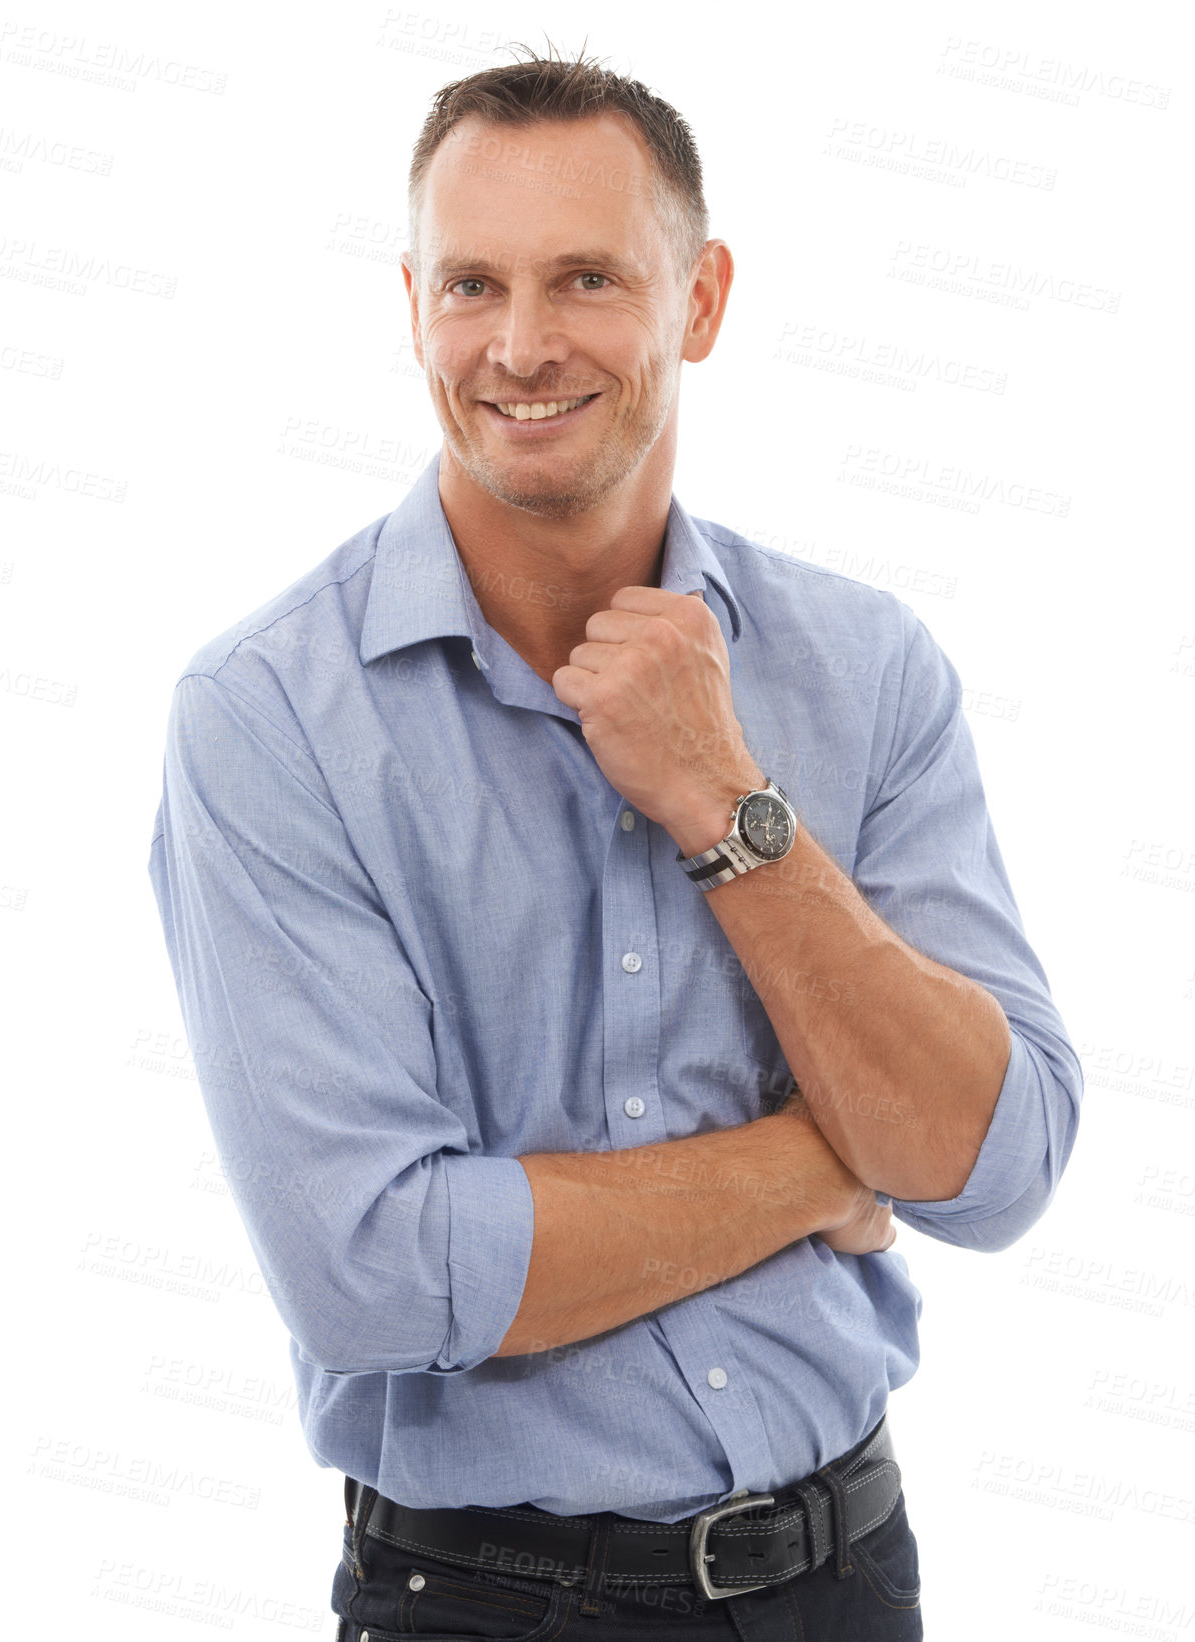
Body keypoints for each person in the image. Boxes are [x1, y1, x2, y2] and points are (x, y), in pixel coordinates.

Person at [147, 47, 1083, 1641]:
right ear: (412, 304)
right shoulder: (267, 719)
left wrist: (728, 803)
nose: (518, 346)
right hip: (478, 1603)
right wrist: (824, 1162)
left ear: (699, 301)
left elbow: (991, 1165)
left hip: (846, 1580)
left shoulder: (865, 668)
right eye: (469, 285)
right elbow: (378, 1271)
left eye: (586, 277)